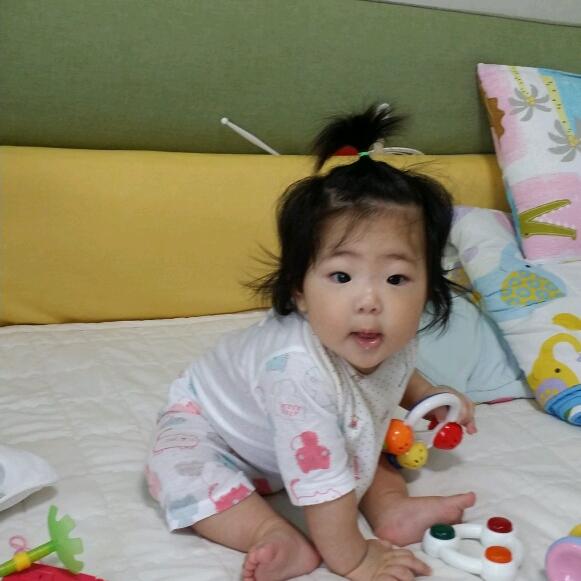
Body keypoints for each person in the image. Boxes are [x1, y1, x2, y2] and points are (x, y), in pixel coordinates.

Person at [146, 104, 477, 581]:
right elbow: (323, 484)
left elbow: (396, 374)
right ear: (299, 290)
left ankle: (391, 508)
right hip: (211, 429)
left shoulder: (388, 337)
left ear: (428, 288)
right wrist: (355, 558)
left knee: (366, 438)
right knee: (178, 471)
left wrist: (429, 396)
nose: (371, 301)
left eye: (397, 278)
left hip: (300, 437)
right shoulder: (297, 369)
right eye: (342, 276)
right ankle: (267, 530)